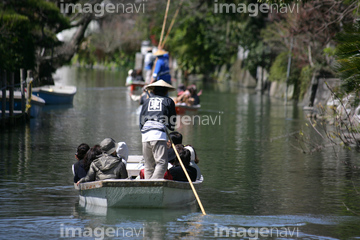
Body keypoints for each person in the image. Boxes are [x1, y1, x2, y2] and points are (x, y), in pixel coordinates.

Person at [139, 80, 177, 179]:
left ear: (154, 91)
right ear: (166, 91)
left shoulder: (146, 101)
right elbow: (172, 122)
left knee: (148, 165)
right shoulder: (168, 101)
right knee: (162, 163)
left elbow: (141, 121)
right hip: (158, 134)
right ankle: (152, 184)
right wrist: (169, 127)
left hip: (145, 134)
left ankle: (147, 187)